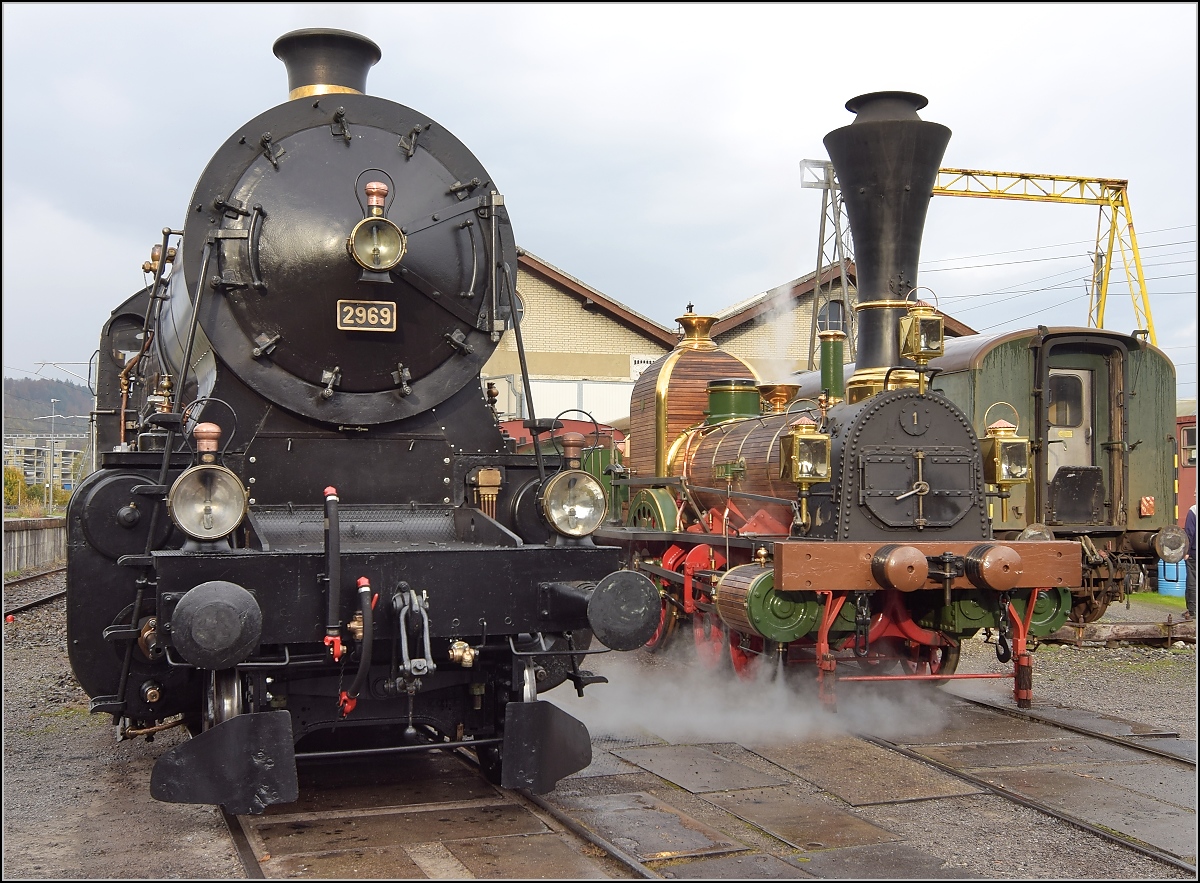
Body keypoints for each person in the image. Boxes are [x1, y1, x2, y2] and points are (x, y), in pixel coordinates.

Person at [1185, 503, 1196, 620]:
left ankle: (1193, 611)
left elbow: (1189, 532)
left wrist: (1186, 551)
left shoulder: (1193, 510)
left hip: (1194, 552)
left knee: (1192, 581)